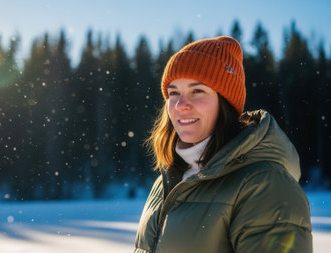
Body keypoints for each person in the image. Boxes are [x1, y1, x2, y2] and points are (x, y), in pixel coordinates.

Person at [134, 36, 312, 253]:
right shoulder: (166, 182)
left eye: (197, 91)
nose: (181, 105)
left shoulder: (266, 185)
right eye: (174, 93)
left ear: (225, 102)